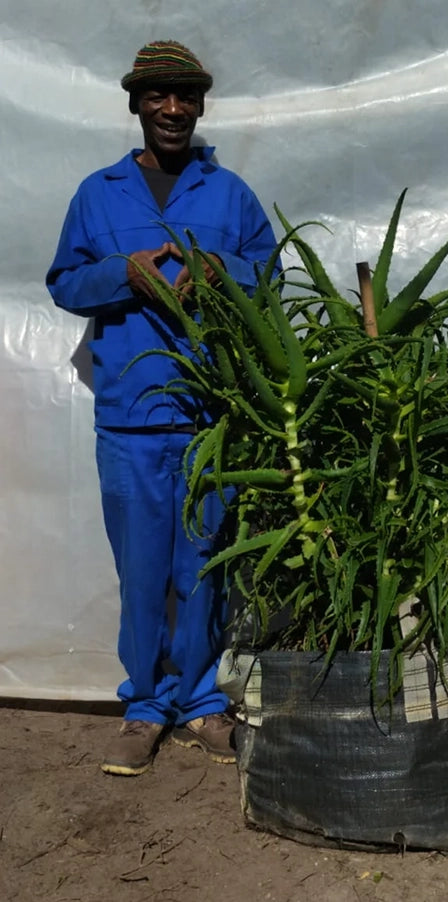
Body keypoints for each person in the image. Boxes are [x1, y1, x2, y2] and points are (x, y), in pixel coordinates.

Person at [46, 40, 280, 776]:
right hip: (129, 417)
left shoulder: (230, 194)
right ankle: (145, 707)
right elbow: (64, 283)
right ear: (136, 105)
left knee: (205, 566)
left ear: (202, 104)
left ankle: (206, 704)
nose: (172, 109)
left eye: (186, 95)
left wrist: (220, 271)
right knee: (143, 569)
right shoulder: (99, 192)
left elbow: (269, 280)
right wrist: (127, 273)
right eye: (157, 96)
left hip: (212, 415)